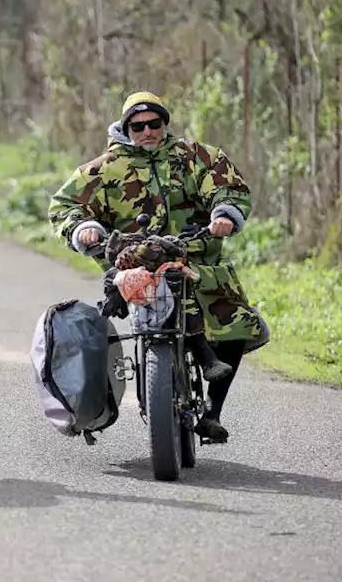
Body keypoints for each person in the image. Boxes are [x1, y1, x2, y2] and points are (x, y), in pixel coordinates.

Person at [47, 91, 269, 443]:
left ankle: (212, 412)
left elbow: (230, 187)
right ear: (126, 128)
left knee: (237, 323)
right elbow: (64, 207)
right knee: (100, 325)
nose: (147, 131)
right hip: (135, 265)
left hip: (197, 258)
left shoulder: (196, 157)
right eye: (138, 126)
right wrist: (82, 228)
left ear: (165, 124)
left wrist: (225, 213)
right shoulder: (104, 169)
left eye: (155, 124)